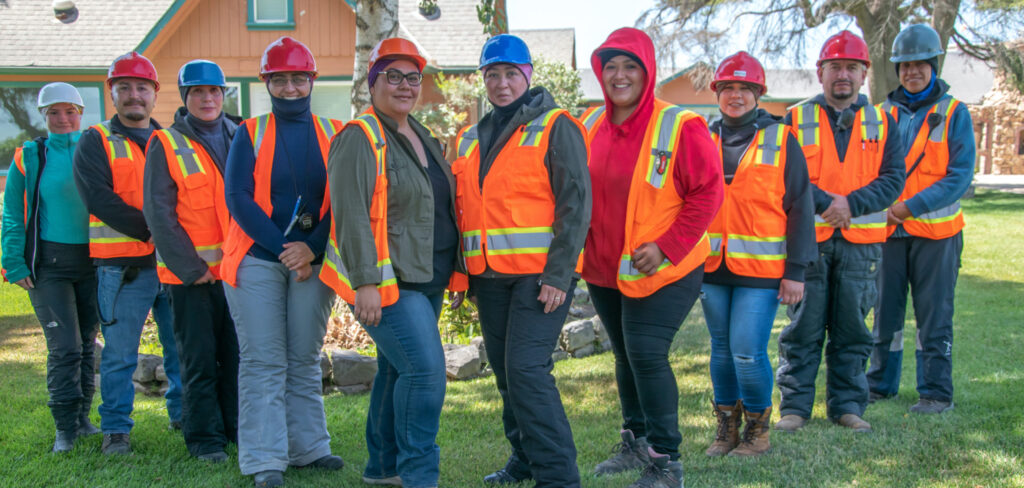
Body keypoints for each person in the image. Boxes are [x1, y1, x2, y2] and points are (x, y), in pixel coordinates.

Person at [578, 27, 722, 487]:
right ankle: (635, 440)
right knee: (624, 353)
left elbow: (708, 193)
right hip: (605, 267)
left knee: (645, 352)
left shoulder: (681, 125)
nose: (619, 76)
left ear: (648, 71)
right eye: (610, 66)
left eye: (630, 66)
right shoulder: (589, 124)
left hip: (667, 267)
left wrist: (666, 247)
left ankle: (667, 460)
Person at [321, 37, 467, 488]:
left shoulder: (418, 133)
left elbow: (440, 208)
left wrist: (458, 270)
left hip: (429, 276)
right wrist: (366, 281)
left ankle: (382, 468)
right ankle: (418, 475)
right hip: (389, 282)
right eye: (393, 76)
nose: (404, 86)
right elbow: (350, 214)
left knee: (395, 368)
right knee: (424, 372)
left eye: (412, 77)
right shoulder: (360, 137)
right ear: (373, 82)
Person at [451, 34, 590, 488]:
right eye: (493, 74)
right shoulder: (471, 136)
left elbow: (576, 203)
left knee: (528, 371)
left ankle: (558, 476)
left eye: (511, 73)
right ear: (483, 80)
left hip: (538, 277)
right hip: (488, 277)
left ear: (528, 76)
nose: (502, 83)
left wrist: (559, 274)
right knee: (508, 376)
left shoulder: (556, 125)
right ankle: (525, 459)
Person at [221, 36, 344, 488]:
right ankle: (264, 460)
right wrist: (286, 249)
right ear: (266, 83)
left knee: (304, 356)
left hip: (313, 257)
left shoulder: (335, 132)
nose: (290, 87)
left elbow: (345, 201)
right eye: (280, 79)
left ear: (312, 80)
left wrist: (311, 246)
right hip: (257, 257)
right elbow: (237, 199)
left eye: (298, 78)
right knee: (263, 360)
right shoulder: (248, 132)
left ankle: (310, 447)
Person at [775, 31, 905, 433]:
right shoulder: (795, 119)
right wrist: (825, 203)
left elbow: (894, 179)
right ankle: (795, 408)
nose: (843, 75)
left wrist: (851, 205)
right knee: (802, 329)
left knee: (853, 329)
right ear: (820, 73)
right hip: (807, 244)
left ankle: (848, 407)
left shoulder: (885, 121)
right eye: (835, 67)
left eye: (852, 67)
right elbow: (783, 174)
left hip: (862, 246)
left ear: (865, 73)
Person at [701, 52, 816, 457]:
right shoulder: (703, 138)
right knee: (720, 349)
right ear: (717, 93)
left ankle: (757, 431)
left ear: (757, 94)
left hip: (763, 270)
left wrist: (796, 270)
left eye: (744, 88)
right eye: (727, 87)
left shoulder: (783, 139)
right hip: (712, 267)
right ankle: (726, 428)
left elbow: (801, 206)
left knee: (747, 350)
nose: (735, 95)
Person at [72, 52, 183, 455]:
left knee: (180, 350)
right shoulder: (95, 140)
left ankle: (182, 415)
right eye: (125, 88)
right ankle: (116, 430)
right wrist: (157, 232)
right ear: (112, 93)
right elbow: (100, 199)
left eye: (142, 88)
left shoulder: (171, 140)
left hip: (171, 267)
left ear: (155, 95)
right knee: (119, 356)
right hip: (121, 270)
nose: (133, 96)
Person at [867, 24, 975, 414]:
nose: (912, 72)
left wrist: (910, 207)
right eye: (905, 66)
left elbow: (959, 177)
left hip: (938, 234)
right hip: (890, 232)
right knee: (886, 313)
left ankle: (935, 392)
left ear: (934, 65)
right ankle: (880, 384)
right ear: (897, 70)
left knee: (934, 316)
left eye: (919, 65)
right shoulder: (881, 113)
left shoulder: (954, 112)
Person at [142, 59, 242, 462]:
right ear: (185, 98)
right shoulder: (166, 143)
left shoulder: (240, 135)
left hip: (237, 274)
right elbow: (158, 214)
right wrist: (192, 268)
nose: (207, 98)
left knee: (236, 357)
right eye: (198, 92)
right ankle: (204, 439)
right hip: (191, 278)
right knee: (198, 359)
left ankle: (234, 429)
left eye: (214, 91)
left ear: (223, 95)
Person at [1, 83, 100, 453]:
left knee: (87, 344)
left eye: (70, 111)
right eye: (54, 113)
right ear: (44, 117)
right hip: (49, 266)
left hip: (93, 263)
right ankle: (64, 429)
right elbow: (13, 212)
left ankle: (84, 420)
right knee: (64, 347)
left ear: (80, 113)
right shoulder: (30, 156)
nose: (63, 119)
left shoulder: (95, 151)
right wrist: (12, 260)